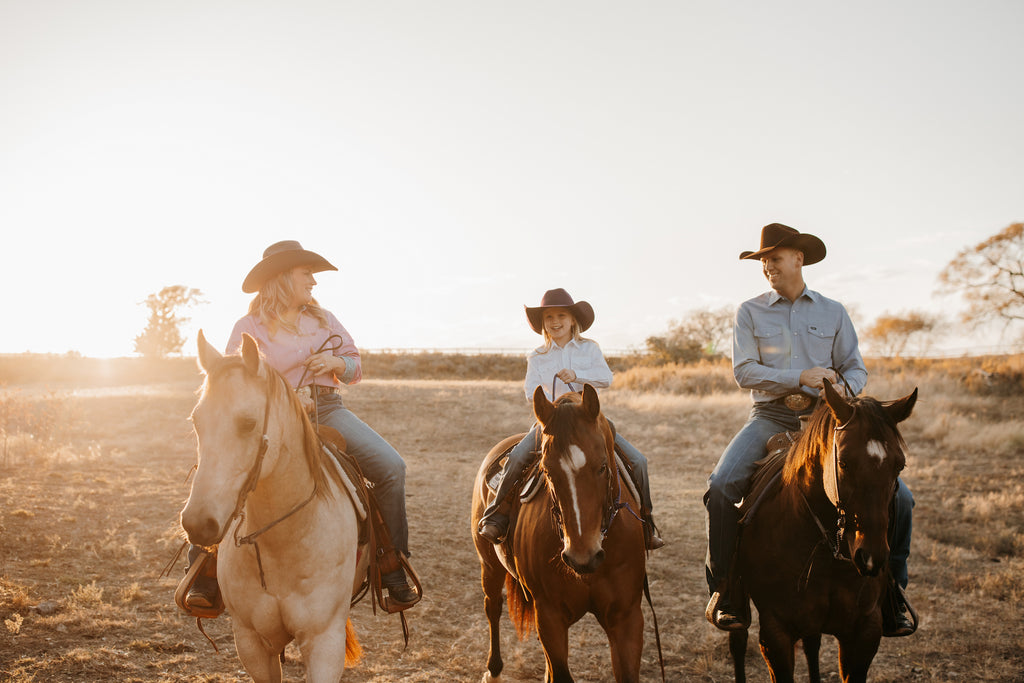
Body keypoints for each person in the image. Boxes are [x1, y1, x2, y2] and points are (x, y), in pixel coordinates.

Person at [703, 223, 915, 636]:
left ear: (798, 258)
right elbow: (743, 371)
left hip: (832, 420)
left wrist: (840, 389)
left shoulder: (833, 311)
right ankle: (725, 591)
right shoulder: (750, 311)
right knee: (723, 484)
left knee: (901, 499)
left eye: (774, 258)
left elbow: (856, 367)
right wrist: (800, 376)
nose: (767, 266)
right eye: (763, 260)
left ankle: (893, 594)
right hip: (770, 417)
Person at [185, 240, 419, 610]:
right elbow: (234, 389)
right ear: (283, 278)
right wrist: (290, 402)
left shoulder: (323, 321)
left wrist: (335, 364)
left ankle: (390, 564)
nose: (313, 281)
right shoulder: (248, 327)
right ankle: (205, 570)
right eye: (306, 273)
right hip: (270, 420)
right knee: (224, 463)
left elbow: (356, 366)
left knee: (391, 467)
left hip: (327, 410)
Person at [476, 288, 663, 550]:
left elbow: (606, 379)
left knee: (638, 461)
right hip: (553, 423)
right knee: (517, 457)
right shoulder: (538, 356)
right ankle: (497, 515)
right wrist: (553, 404)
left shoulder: (589, 348)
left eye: (561, 315)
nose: (555, 322)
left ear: (573, 319)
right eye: (549, 317)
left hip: (589, 422)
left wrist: (576, 375)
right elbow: (531, 392)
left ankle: (645, 522)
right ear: (543, 323)